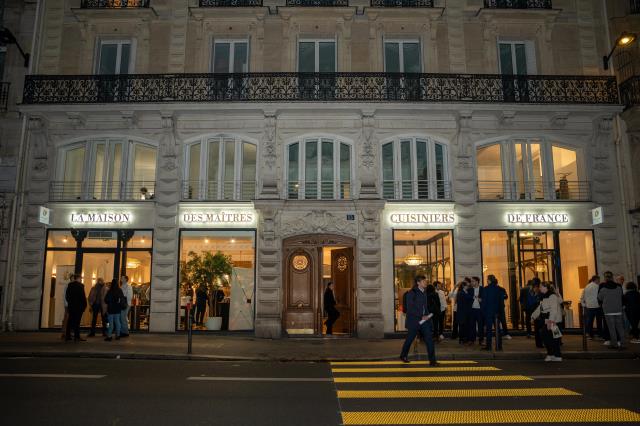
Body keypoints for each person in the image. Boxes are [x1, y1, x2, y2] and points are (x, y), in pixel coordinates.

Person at [400, 275, 438, 366]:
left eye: (426, 281)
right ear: (418, 283)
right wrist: (421, 316)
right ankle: (403, 355)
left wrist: (428, 315)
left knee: (429, 339)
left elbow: (425, 307)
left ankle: (432, 361)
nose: (426, 282)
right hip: (414, 321)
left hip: (424, 321)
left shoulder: (424, 292)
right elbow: (410, 308)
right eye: (424, 281)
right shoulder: (412, 293)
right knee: (410, 339)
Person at [533, 281, 563, 362]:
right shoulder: (545, 296)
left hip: (554, 321)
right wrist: (533, 316)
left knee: (554, 338)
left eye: (540, 286)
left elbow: (554, 309)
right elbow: (541, 308)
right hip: (549, 321)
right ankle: (552, 354)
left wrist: (551, 321)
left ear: (545, 287)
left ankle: (556, 355)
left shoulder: (552, 296)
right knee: (548, 338)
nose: (539, 288)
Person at [598, 271, 625, 349]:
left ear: (605, 278)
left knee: (612, 328)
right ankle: (622, 343)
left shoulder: (603, 288)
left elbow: (599, 298)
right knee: (620, 328)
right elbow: (622, 297)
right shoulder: (619, 287)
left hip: (608, 310)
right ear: (612, 277)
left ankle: (614, 344)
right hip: (618, 309)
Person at [481, 275, 503, 351]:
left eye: (487, 279)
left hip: (488, 312)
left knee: (489, 330)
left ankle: (489, 346)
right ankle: (499, 346)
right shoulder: (499, 289)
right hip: (496, 313)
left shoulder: (486, 289)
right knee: (498, 330)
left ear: (489, 280)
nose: (487, 281)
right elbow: (501, 302)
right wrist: (500, 311)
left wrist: (483, 312)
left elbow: (484, 302)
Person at [65, 274, 87, 342]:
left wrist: (70, 303)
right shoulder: (80, 286)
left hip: (71, 306)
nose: (81, 279)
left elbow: (67, 296)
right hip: (79, 307)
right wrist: (84, 305)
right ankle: (76, 336)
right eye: (80, 278)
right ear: (78, 278)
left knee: (70, 321)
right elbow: (82, 297)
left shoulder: (70, 285)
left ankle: (68, 336)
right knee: (77, 322)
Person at [580, 275, 602, 339]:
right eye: (599, 280)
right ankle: (600, 334)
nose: (599, 281)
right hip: (597, 306)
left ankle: (590, 335)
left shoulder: (586, 287)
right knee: (599, 322)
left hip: (589, 307)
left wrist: (584, 305)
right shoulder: (598, 286)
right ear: (596, 279)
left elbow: (582, 297)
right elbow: (599, 296)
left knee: (589, 322)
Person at [456, 280, 473, 344]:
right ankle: (461, 339)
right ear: (463, 286)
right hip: (462, 312)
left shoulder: (465, 292)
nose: (468, 287)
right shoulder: (461, 293)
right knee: (462, 327)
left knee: (464, 326)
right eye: (467, 286)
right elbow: (468, 298)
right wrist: (473, 297)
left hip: (464, 312)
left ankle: (463, 339)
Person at [470, 276, 484, 345]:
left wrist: (481, 300)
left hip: (479, 310)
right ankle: (472, 340)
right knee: (472, 325)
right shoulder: (470, 289)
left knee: (480, 325)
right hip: (472, 310)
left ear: (477, 281)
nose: (471, 282)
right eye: (471, 281)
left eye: (473, 281)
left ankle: (481, 340)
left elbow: (485, 299)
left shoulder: (482, 289)